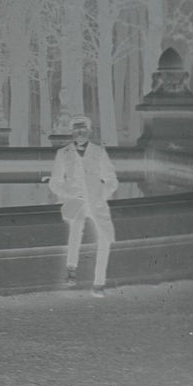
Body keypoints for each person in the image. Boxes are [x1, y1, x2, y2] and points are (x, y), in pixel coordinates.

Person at [48, 114, 119, 296]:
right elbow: (54, 182)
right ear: (71, 133)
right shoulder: (63, 153)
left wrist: (101, 194)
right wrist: (70, 193)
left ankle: (99, 283)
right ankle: (71, 268)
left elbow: (112, 180)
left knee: (104, 236)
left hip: (96, 202)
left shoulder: (99, 152)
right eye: (76, 129)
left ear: (89, 131)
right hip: (76, 201)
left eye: (83, 129)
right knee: (76, 223)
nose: (80, 132)